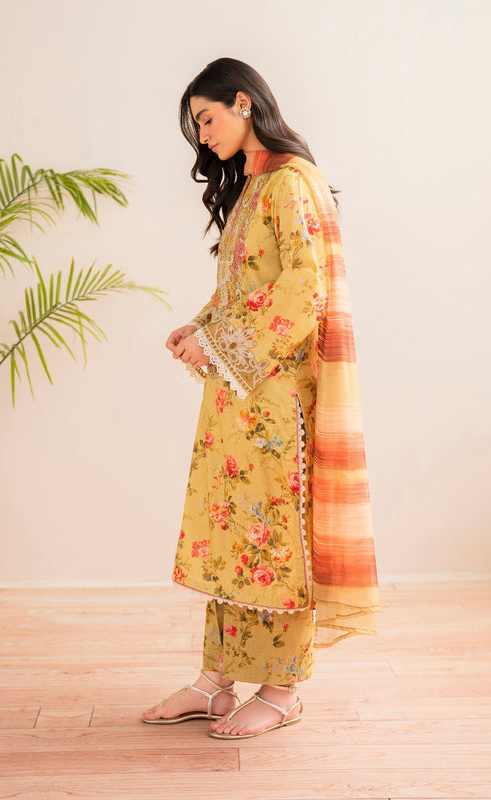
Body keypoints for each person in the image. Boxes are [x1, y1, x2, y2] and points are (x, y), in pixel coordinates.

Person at [142, 57, 381, 739]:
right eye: (196, 126)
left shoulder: (291, 181)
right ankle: (215, 683)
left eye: (206, 118)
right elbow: (245, 288)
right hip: (238, 399)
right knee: (234, 533)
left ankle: (281, 690)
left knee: (276, 538)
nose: (202, 136)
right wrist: (200, 327)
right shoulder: (252, 185)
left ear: (243, 103)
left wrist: (218, 343)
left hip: (277, 401)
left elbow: (304, 290)